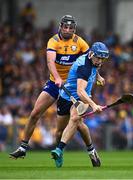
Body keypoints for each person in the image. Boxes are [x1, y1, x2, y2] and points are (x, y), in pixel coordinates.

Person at [9, 15, 95, 163]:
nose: (67, 30)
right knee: (35, 113)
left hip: (73, 87)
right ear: (60, 27)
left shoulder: (79, 42)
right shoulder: (53, 41)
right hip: (55, 84)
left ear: (74, 29)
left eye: (71, 28)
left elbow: (91, 60)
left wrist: (98, 76)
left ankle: (78, 151)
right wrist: (57, 77)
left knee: (75, 122)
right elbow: (50, 62)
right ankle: (23, 148)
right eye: (65, 27)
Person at [51, 41, 109, 168]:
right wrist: (94, 105)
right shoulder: (84, 67)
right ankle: (91, 150)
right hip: (67, 97)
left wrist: (98, 77)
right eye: (98, 58)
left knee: (75, 118)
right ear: (92, 54)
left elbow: (83, 94)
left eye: (102, 59)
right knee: (61, 131)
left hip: (83, 99)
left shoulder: (92, 57)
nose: (100, 61)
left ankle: (59, 149)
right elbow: (80, 91)